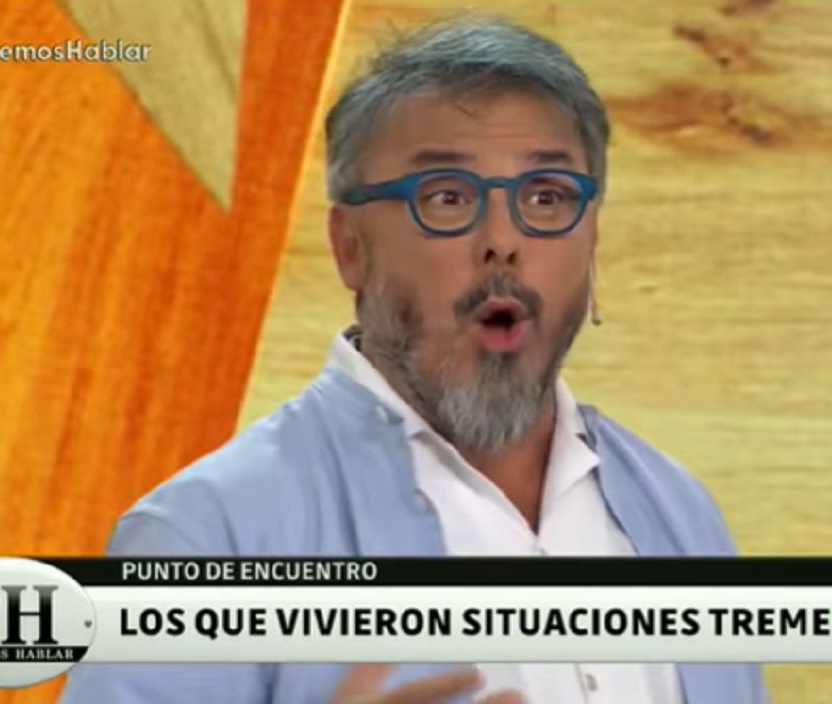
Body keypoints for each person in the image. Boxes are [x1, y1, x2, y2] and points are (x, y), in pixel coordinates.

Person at [58, 16, 767, 704]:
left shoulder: (681, 516)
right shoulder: (207, 537)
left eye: (546, 197)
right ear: (351, 248)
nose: (503, 241)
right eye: (447, 197)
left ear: (592, 240)